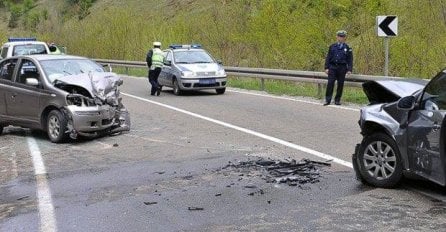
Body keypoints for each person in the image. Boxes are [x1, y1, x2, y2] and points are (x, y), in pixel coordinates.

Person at [324, 30, 353, 105]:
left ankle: (337, 100)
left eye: (343, 37)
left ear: (345, 38)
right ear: (337, 37)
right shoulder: (332, 46)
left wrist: (349, 69)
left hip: (342, 68)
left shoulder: (348, 47)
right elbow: (328, 57)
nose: (341, 38)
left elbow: (350, 59)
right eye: (340, 36)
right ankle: (328, 100)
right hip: (333, 67)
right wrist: (326, 68)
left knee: (340, 84)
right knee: (330, 83)